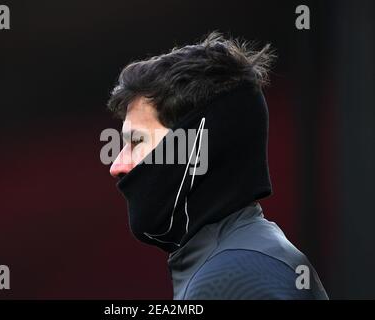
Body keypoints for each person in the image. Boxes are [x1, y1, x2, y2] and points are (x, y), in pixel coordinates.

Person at [106, 32, 328, 300]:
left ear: (196, 147)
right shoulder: (242, 260)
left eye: (137, 141)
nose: (116, 165)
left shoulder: (234, 277)